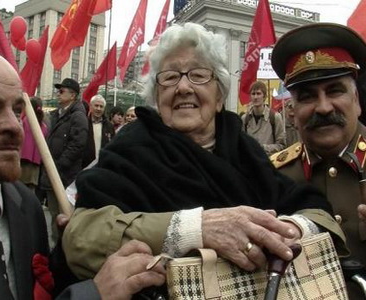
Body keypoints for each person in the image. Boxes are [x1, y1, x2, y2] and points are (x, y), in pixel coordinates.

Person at [62, 23, 346, 292]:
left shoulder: (246, 151)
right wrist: (195, 229)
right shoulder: (131, 148)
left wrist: (285, 231)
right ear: (156, 97)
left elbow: (314, 210)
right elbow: (81, 237)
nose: (183, 87)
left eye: (198, 75)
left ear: (219, 95)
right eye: (170, 77)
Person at [0, 49, 165, 300]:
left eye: (17, 111)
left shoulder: (26, 206)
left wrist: (68, 255)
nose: (14, 127)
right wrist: (94, 293)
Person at [270, 22, 366, 298]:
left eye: (335, 90)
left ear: (357, 99)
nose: (323, 107)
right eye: (307, 96)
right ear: (292, 110)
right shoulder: (271, 175)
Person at [39, 78, 88, 244]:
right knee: (54, 215)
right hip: (53, 175)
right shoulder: (57, 115)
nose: (58, 94)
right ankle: (55, 251)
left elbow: (78, 144)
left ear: (73, 95)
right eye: (58, 91)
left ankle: (65, 254)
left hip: (65, 177)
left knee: (65, 217)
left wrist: (59, 165)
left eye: (62, 91)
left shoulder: (78, 116)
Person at [241, 81, 286, 155]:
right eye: (253, 94)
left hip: (269, 163)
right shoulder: (245, 119)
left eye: (258, 94)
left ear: (264, 96)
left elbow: (282, 145)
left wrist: (263, 148)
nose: (255, 97)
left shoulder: (275, 117)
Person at [20, 96, 48, 191]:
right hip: (36, 163)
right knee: (31, 190)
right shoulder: (44, 125)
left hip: (23, 160)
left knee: (19, 189)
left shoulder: (25, 121)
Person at [82, 95, 115, 168]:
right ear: (91, 106)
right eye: (96, 106)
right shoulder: (84, 123)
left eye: (101, 106)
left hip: (102, 165)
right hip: (85, 165)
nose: (98, 109)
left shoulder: (109, 126)